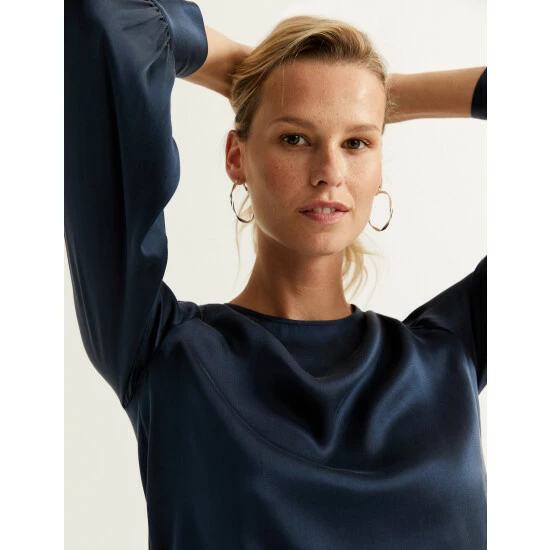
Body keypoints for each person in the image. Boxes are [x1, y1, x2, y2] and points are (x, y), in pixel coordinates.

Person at [65, 0, 486, 548]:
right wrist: (242, 69)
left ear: (381, 163)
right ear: (236, 157)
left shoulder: (449, 354)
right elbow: (107, 17)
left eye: (357, 142)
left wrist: (390, 95)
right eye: (295, 138)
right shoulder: (163, 350)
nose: (330, 172)